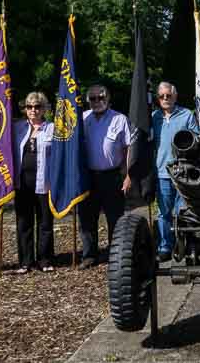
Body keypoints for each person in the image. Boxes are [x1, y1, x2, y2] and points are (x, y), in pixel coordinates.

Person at [78, 84, 132, 268]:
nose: (97, 101)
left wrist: (128, 175)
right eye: (92, 98)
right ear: (88, 101)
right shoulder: (82, 119)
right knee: (87, 217)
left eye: (101, 97)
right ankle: (89, 255)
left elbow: (128, 148)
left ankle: (114, 253)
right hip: (88, 176)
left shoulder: (120, 119)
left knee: (115, 218)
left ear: (108, 99)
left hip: (112, 176)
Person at [152, 81, 199, 260]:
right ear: (158, 98)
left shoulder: (186, 115)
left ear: (175, 96)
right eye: (162, 96)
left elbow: (196, 138)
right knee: (164, 213)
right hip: (162, 173)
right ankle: (165, 247)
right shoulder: (154, 117)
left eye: (168, 95)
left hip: (182, 172)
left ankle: (184, 245)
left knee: (183, 212)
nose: (165, 99)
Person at [12, 92, 55, 273]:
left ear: (44, 108)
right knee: (24, 223)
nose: (33, 110)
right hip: (22, 183)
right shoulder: (17, 128)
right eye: (29, 106)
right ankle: (25, 261)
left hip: (44, 182)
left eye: (37, 106)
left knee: (45, 222)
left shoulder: (52, 129)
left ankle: (45, 260)